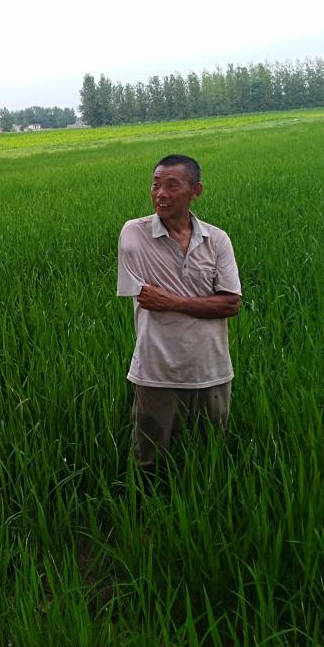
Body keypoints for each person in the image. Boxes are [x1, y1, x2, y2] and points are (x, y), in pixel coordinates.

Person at [116, 154, 241, 467]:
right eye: (155, 185)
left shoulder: (217, 240)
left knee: (211, 457)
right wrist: (205, 303)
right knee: (149, 461)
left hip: (211, 370)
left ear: (195, 191)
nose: (161, 193)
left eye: (172, 186)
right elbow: (147, 298)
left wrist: (171, 302)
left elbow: (230, 304)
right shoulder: (135, 233)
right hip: (156, 371)